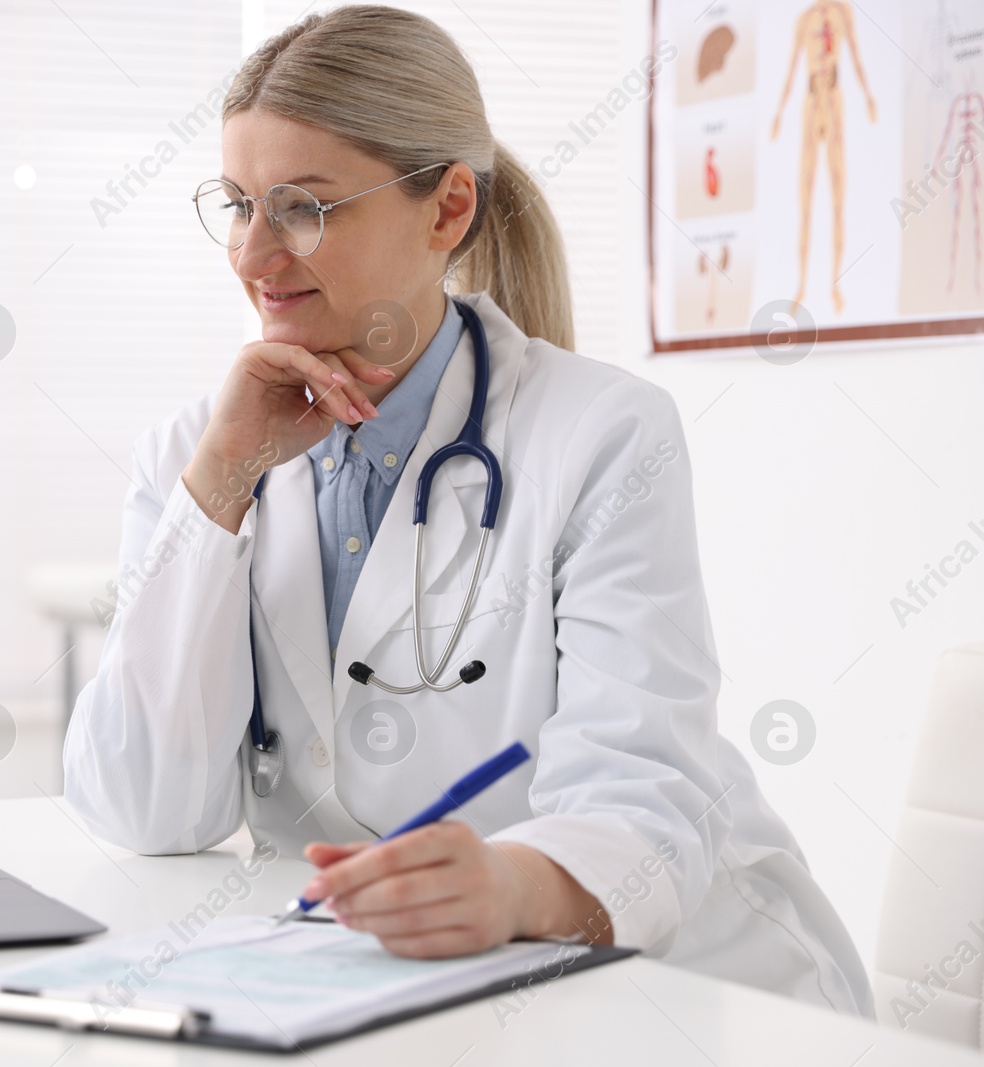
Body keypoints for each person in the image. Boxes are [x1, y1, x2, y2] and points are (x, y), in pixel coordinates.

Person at [62, 4, 872, 1017]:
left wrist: (511, 880)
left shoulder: (603, 434)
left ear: (447, 209)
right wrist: (219, 484)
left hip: (688, 991)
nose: (253, 253)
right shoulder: (200, 449)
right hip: (388, 988)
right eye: (237, 203)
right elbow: (146, 809)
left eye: (304, 208)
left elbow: (646, 801)